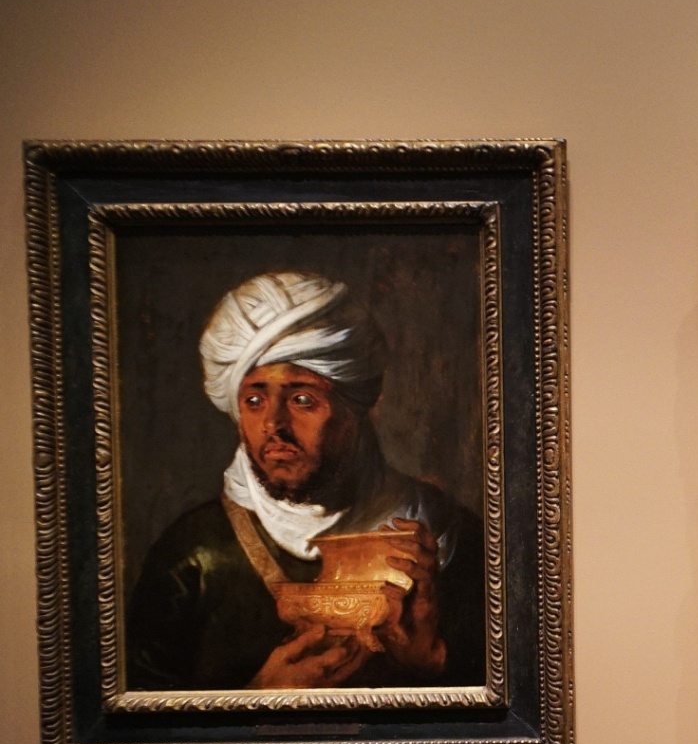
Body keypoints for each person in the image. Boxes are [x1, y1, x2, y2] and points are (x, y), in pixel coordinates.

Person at [127, 271, 483, 691]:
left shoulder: (444, 538)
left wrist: (432, 662)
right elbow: (134, 730)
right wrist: (258, 697)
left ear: (355, 406)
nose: (273, 425)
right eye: (254, 400)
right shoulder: (191, 557)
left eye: (302, 400)